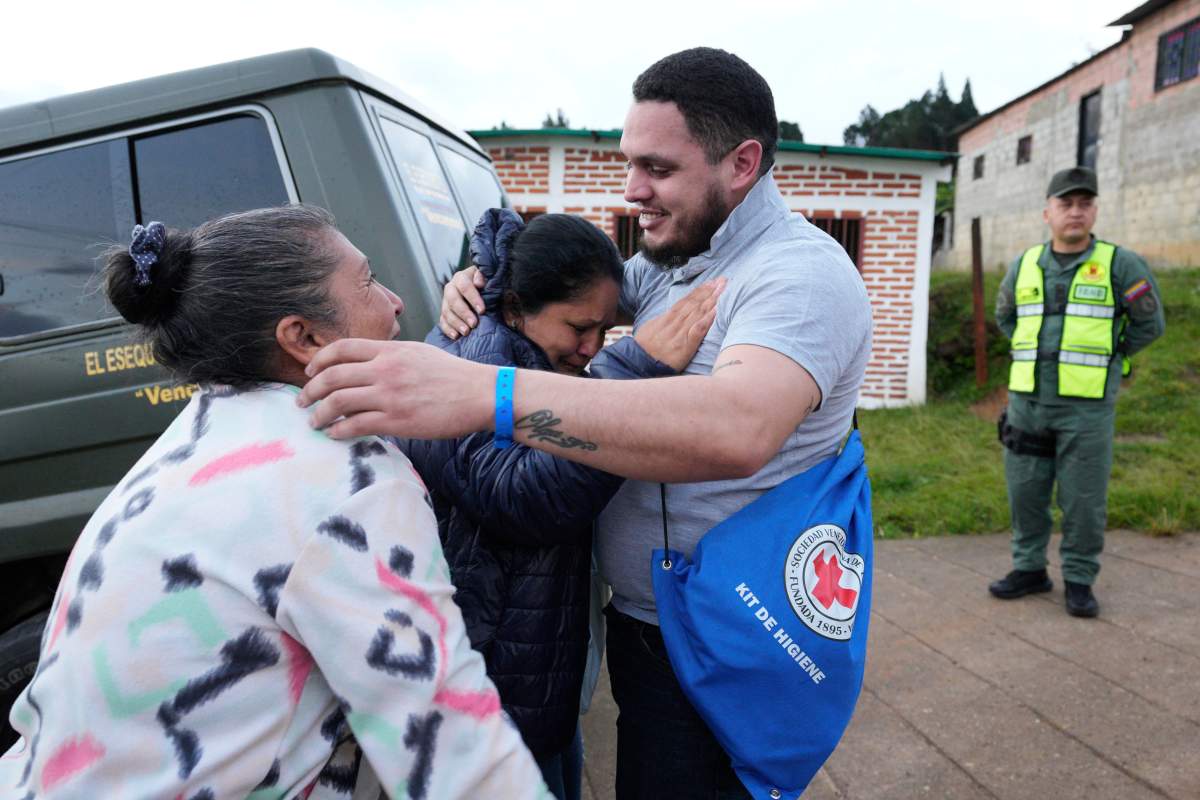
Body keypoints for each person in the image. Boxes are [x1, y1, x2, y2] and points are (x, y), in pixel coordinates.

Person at [297, 47, 873, 799]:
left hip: (727, 637)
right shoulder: (672, 264)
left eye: (658, 170)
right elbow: (561, 282)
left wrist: (487, 394)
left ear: (741, 164)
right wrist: (478, 282)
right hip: (650, 631)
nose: (633, 191)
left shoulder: (800, 277)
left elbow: (738, 427)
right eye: (630, 163)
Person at [0, 206, 546, 799]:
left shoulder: (199, 434)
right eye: (365, 281)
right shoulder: (348, 479)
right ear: (303, 337)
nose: (394, 302)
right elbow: (452, 747)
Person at [400, 208, 718, 800]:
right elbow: (522, 497)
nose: (592, 348)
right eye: (579, 329)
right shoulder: (476, 353)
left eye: (606, 332)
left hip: (526, 679)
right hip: (494, 698)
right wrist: (632, 369)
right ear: (517, 306)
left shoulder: (515, 340)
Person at [990, 166, 1165, 618]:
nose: (1075, 211)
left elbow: (1150, 323)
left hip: (1086, 411)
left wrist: (1112, 359)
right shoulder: (1025, 264)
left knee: (1083, 500)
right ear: (1047, 212)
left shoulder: (1120, 263)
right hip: (1027, 404)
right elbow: (1006, 318)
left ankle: (1080, 579)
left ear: (1094, 211)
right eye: (1065, 203)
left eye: (1084, 203)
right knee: (1025, 493)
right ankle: (1029, 569)